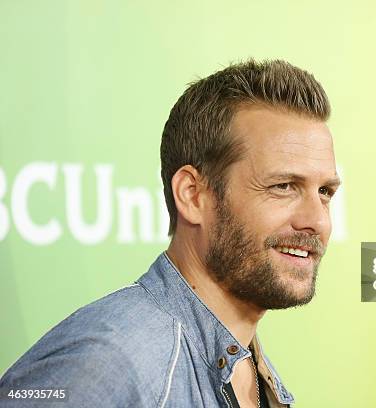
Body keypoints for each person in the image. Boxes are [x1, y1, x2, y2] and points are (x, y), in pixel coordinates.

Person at [0, 59, 340, 407]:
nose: (317, 220)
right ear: (193, 195)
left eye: (325, 192)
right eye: (283, 186)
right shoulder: (107, 364)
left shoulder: (246, 366)